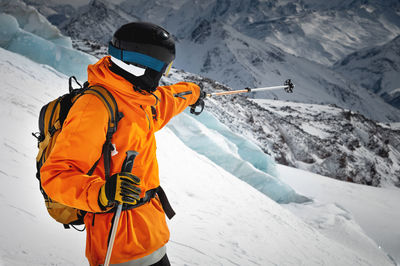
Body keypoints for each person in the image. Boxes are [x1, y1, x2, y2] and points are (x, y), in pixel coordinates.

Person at [40, 22, 205, 265]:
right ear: (144, 67)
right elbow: (56, 176)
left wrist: (195, 92)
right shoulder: (95, 108)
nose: (163, 76)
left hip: (150, 234)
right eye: (163, 69)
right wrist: (103, 192)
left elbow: (168, 101)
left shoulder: (137, 99)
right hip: (117, 246)